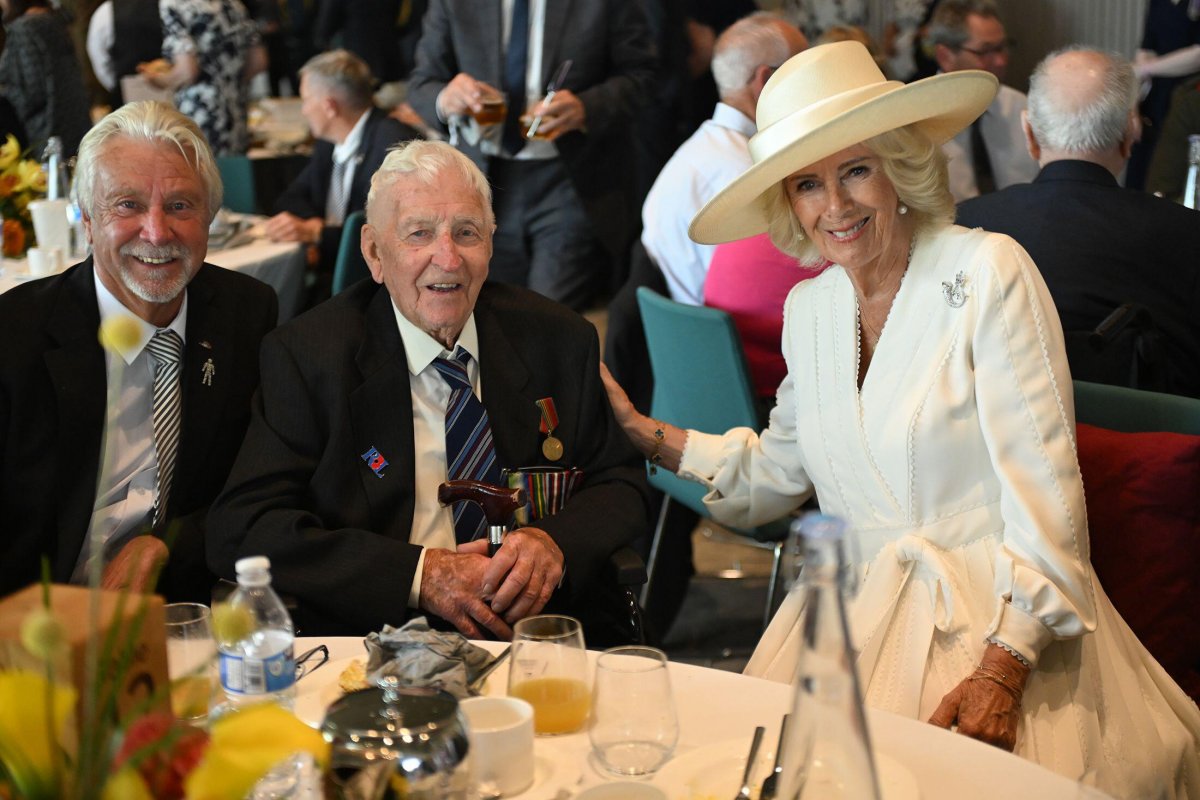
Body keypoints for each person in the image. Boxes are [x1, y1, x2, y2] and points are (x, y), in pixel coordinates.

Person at [600, 41, 1200, 796]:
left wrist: (1005, 667)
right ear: (789, 204)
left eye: (856, 169)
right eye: (808, 184)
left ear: (900, 166)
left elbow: (1048, 495)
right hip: (850, 622)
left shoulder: (987, 271)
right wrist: (638, 430)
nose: (837, 205)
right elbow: (777, 472)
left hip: (997, 621)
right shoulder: (811, 310)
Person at [207, 140, 650, 641]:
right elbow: (244, 525)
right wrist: (420, 575)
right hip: (381, 638)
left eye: (467, 233)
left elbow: (621, 481)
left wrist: (554, 541)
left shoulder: (558, 338)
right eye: (420, 234)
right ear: (375, 252)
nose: (448, 258)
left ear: (491, 243)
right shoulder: (310, 356)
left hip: (540, 635)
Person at [0, 101, 278, 602]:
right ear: (85, 220)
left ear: (211, 217)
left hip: (180, 615)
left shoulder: (245, 313)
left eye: (180, 206)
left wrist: (165, 545)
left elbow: (261, 484)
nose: (156, 232)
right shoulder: (14, 338)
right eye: (126, 205)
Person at [957, 48, 1200, 399]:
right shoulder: (1189, 235)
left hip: (994, 448)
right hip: (1149, 447)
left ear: (1029, 132)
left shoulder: (965, 226)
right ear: (1130, 133)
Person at [406, 0, 656, 311]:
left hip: (567, 179)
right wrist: (445, 98)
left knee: (548, 314)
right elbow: (421, 83)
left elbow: (642, 76)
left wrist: (586, 107)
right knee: (488, 313)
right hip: (481, 182)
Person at [643, 12, 807, 307]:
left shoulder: (699, 149)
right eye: (804, 71)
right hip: (732, 334)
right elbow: (770, 290)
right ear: (766, 80)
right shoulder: (747, 174)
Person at [265, 49, 421, 295]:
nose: (304, 110)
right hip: (329, 272)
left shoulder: (393, 144)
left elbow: (387, 234)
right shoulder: (331, 142)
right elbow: (290, 198)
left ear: (329, 106)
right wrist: (315, 228)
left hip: (373, 286)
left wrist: (317, 234)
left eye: (305, 100)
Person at [923, 0, 1037, 201]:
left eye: (1002, 47)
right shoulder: (917, 119)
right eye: (985, 51)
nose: (1001, 61)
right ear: (945, 56)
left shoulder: (1021, 106)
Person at [145, 0, 268, 156]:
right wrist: (228, 83)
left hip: (201, 116)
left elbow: (187, 71)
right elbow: (258, 61)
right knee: (236, 176)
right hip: (236, 114)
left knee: (204, 174)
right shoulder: (234, 5)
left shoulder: (174, 4)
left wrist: (158, 81)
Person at [0, 0, 92, 155]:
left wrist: (5, 90)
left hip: (46, 137)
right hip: (75, 128)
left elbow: (30, 93)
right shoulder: (55, 19)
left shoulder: (24, 28)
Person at [86, 0, 164, 108]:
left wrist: (117, 87)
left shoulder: (105, 13)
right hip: (178, 104)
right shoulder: (179, 4)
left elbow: (100, 62)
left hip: (128, 104)